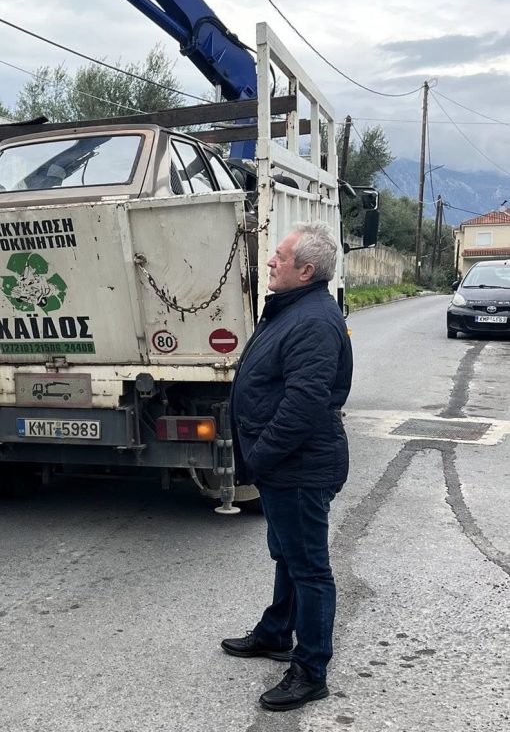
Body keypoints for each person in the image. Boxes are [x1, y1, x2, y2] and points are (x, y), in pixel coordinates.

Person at [223, 220, 352, 712]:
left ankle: (311, 668)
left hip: (299, 466)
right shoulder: (293, 307)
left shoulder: (314, 321)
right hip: (286, 465)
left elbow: (303, 405)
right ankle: (277, 632)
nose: (270, 261)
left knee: (309, 567)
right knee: (288, 553)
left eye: (279, 256)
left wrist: (259, 456)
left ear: (307, 270)